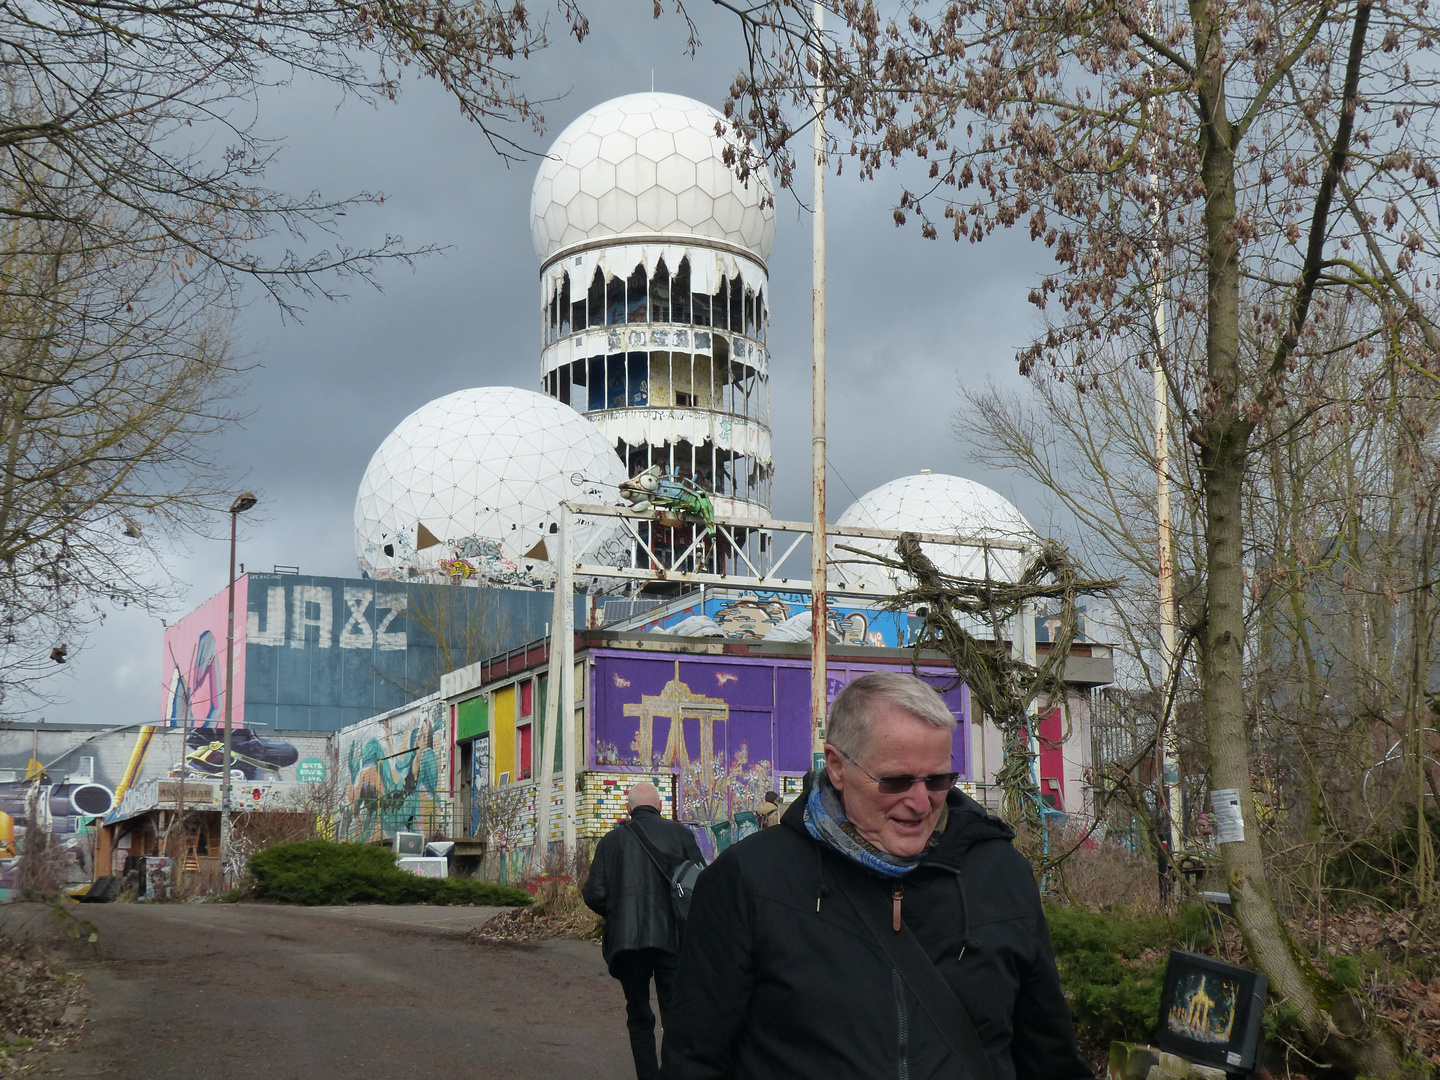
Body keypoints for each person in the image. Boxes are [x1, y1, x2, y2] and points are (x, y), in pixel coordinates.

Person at [661, 671, 1094, 1080]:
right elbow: (696, 1059)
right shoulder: (748, 880)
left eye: (938, 779)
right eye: (896, 781)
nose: (921, 802)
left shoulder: (1001, 874)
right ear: (837, 766)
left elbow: (1048, 1058)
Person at [583, 782, 704, 1080]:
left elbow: (593, 892)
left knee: (638, 1017)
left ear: (628, 809)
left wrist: (618, 913)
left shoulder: (610, 842)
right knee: (674, 1015)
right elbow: (702, 884)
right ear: (660, 806)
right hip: (672, 941)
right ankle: (674, 1074)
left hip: (626, 945)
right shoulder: (682, 835)